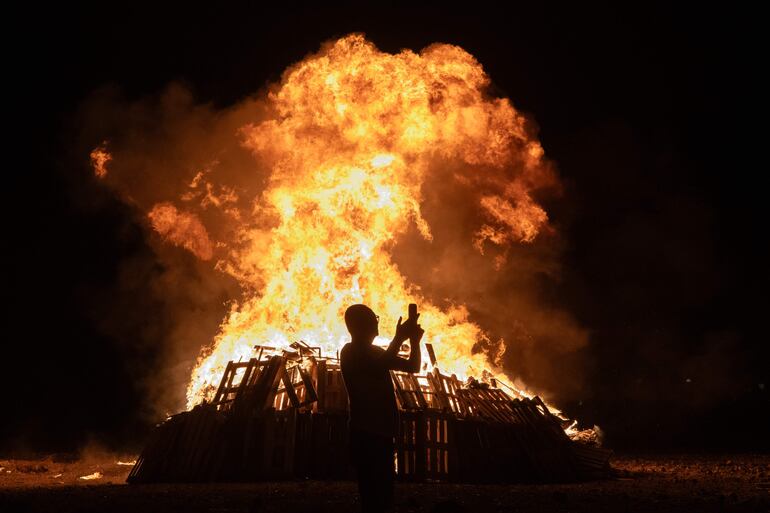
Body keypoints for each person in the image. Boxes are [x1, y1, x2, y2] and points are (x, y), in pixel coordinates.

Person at [340, 304, 424, 513]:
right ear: (360, 326)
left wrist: (414, 340)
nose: (376, 323)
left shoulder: (376, 352)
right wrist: (399, 338)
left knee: (385, 493)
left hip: (382, 432)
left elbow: (413, 366)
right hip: (366, 432)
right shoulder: (350, 352)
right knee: (372, 494)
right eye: (372, 319)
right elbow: (377, 367)